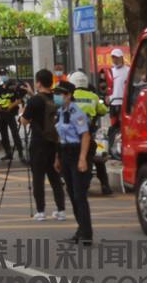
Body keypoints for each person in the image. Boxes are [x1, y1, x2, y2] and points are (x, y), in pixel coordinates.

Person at [20, 69, 66, 222]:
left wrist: (21, 113)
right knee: (55, 177)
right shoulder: (57, 99)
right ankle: (61, 210)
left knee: (38, 178)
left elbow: (24, 121)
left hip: (39, 143)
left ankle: (40, 211)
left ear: (38, 82)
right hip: (55, 142)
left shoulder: (34, 101)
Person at [53, 81, 94, 245]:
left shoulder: (77, 112)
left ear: (68, 95)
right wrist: (57, 158)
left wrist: (82, 158)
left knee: (79, 195)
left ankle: (87, 234)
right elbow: (60, 136)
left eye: (59, 94)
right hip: (65, 153)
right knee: (71, 193)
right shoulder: (60, 112)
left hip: (77, 153)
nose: (56, 96)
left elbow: (85, 135)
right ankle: (81, 229)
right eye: (55, 93)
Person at [68, 71, 113, 195]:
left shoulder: (69, 96)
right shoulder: (93, 96)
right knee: (97, 159)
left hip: (71, 137)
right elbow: (103, 110)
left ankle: (76, 185)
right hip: (88, 136)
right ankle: (105, 185)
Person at [0, 70, 26, 163]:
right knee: (3, 134)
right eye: (2, 75)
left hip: (11, 113)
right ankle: (8, 153)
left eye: (5, 74)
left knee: (15, 133)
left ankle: (20, 153)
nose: (3, 76)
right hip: (1, 114)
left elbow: (19, 100)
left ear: (8, 75)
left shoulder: (14, 87)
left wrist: (11, 106)